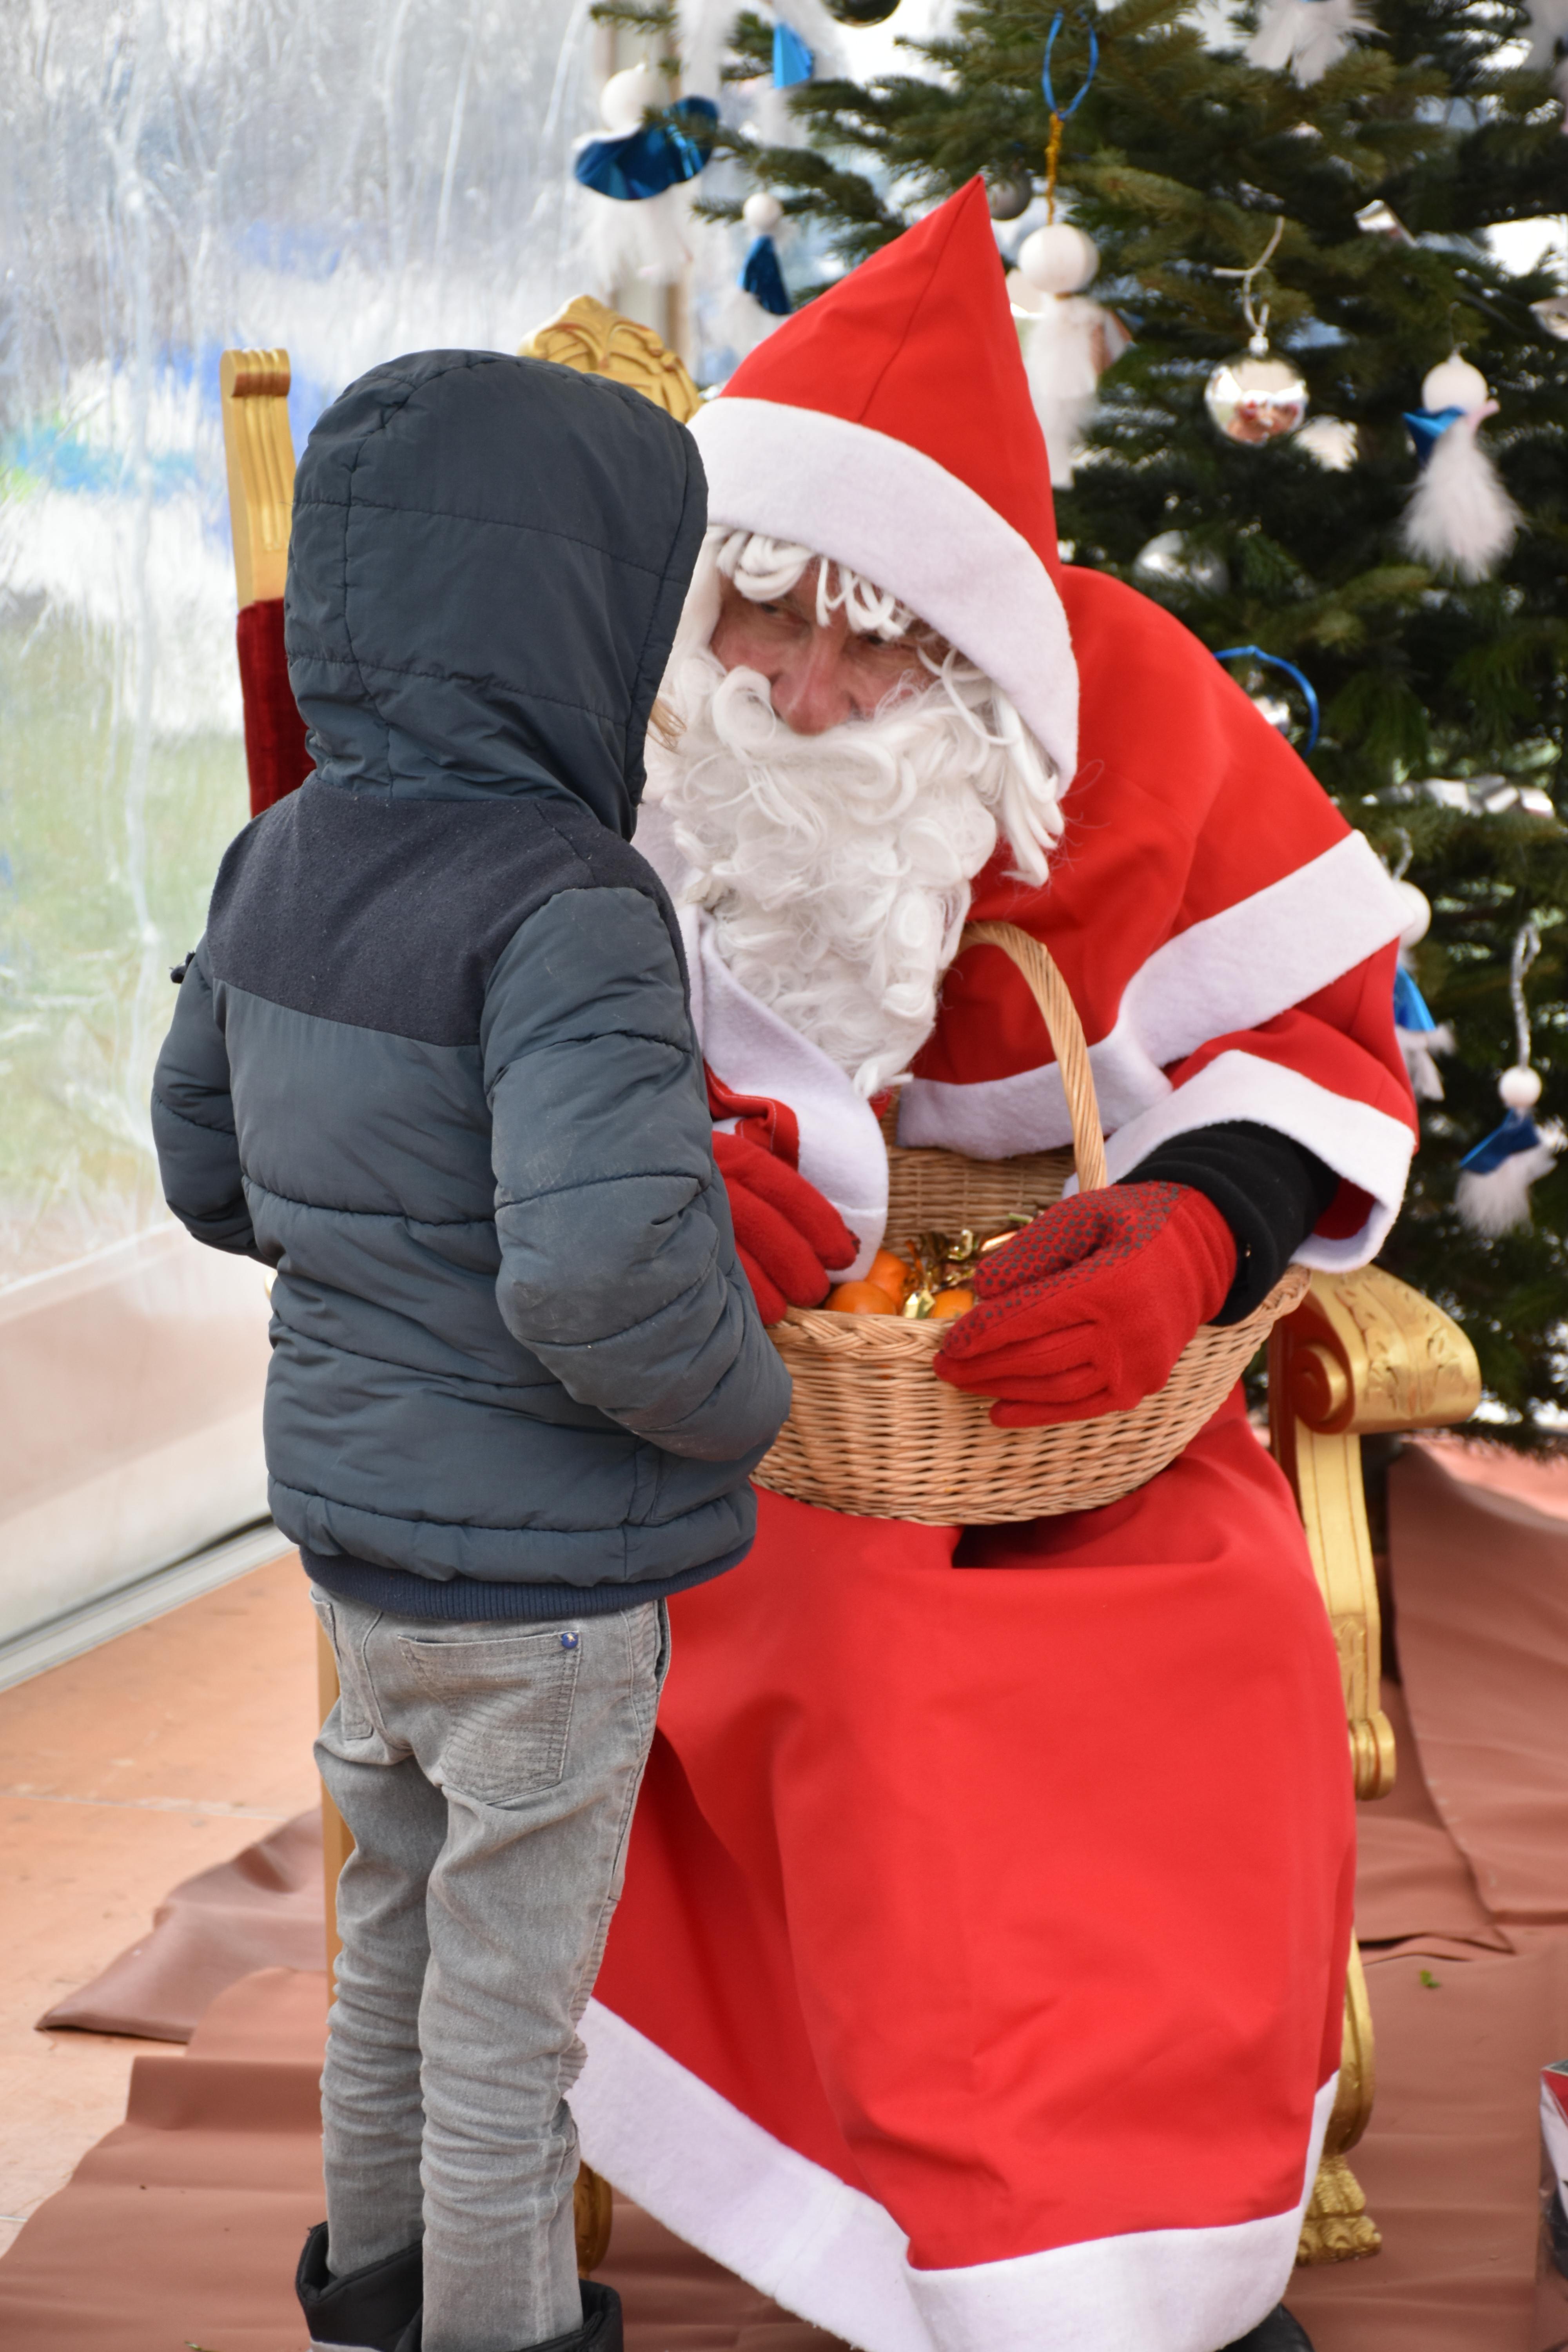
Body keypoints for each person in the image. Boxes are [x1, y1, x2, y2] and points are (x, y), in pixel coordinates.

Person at [564, 185, 1418, 2352]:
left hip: (1061, 1391)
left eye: (882, 646)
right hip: (693, 1422)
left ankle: (1138, 2250)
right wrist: (619, 1179)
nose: (812, 693)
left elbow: (1309, 1038)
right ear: (695, 589)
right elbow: (405, 1038)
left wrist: (1199, 1220)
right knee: (866, 1686)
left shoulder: (1126, 705)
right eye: (762, 614)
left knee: (1213, 1633)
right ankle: (966, 2250)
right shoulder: (585, 707)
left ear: (980, 663)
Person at [151, 350, 793, 2352]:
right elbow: (600, 1275)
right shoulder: (571, 903)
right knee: (511, 2024)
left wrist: (367, 1255)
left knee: (392, 1951)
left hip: (356, 1548)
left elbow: (203, 1166)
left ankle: (373, 2295)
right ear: (581, 614)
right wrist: (744, 1409)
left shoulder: (284, 855)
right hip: (544, 1586)